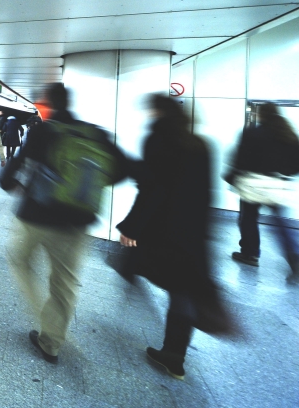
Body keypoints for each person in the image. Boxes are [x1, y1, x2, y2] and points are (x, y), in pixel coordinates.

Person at [0, 83, 127, 363]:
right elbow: (124, 168)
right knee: (64, 282)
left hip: (36, 216)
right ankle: (52, 342)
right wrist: (86, 186)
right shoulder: (96, 134)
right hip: (76, 224)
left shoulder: (45, 130)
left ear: (50, 104)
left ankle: (44, 319)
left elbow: (11, 172)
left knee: (19, 259)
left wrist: (9, 181)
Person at [116, 95, 234, 379]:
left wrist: (131, 227)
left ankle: (172, 352)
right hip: (192, 232)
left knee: (174, 286)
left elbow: (152, 190)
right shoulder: (200, 145)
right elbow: (206, 193)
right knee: (184, 290)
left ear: (157, 113)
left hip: (164, 229)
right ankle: (174, 353)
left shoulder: (158, 140)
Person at [225, 103, 299, 282]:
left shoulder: (252, 133)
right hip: (275, 184)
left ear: (261, 115)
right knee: (280, 223)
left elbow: (240, 159)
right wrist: (283, 174)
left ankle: (250, 254)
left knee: (248, 219)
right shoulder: (287, 134)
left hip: (252, 183)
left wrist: (232, 177)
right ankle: (294, 258)